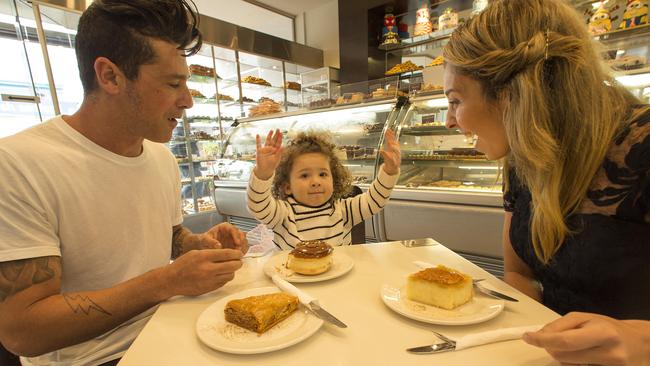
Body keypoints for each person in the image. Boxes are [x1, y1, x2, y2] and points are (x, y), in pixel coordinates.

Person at [0, 1, 248, 365]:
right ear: (110, 76)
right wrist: (167, 281)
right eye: (173, 83)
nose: (188, 101)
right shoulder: (20, 164)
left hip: (170, 328)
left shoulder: (161, 157)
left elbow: (168, 236)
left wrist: (196, 245)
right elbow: (23, 331)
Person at [442, 0, 650, 364]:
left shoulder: (641, 147)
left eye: (455, 101)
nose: (448, 121)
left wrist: (640, 341)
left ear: (513, 95)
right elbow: (519, 274)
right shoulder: (521, 160)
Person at [247, 129, 401, 249]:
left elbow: (374, 201)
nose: (316, 182)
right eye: (305, 176)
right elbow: (258, 206)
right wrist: (263, 174)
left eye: (323, 174)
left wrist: (389, 171)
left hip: (337, 281)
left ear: (334, 180)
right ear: (287, 187)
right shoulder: (283, 214)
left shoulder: (343, 210)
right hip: (295, 282)